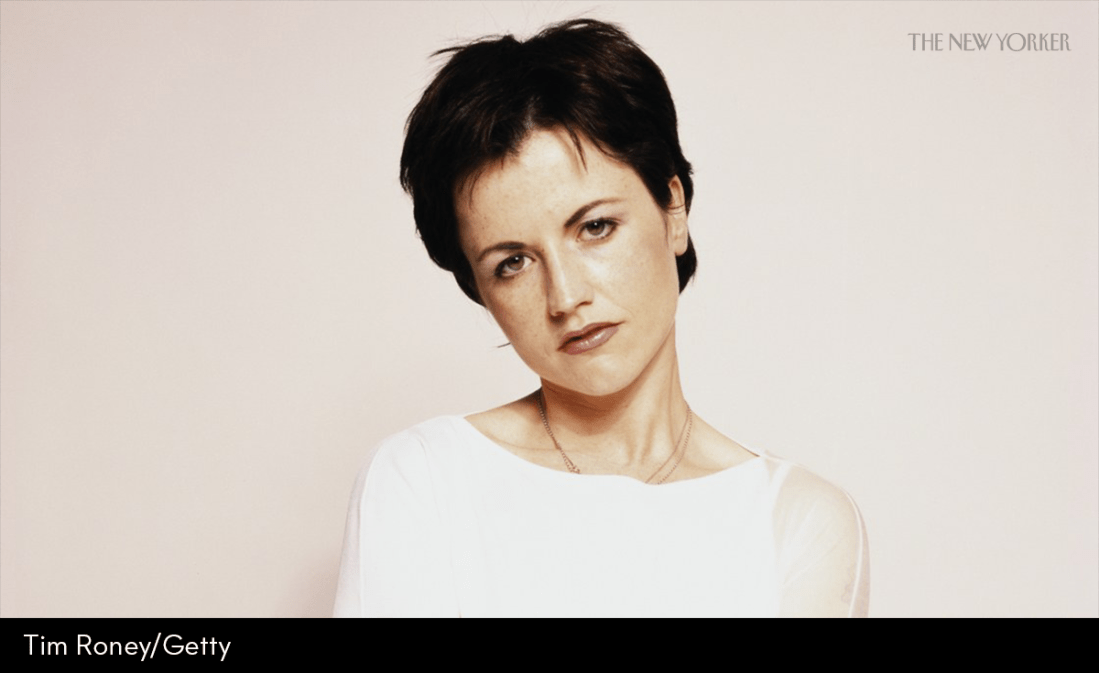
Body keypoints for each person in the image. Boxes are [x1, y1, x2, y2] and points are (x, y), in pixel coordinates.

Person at [334, 18, 869, 617]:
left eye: (595, 227)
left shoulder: (795, 520)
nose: (565, 297)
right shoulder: (424, 480)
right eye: (512, 263)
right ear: (479, 289)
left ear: (673, 209)